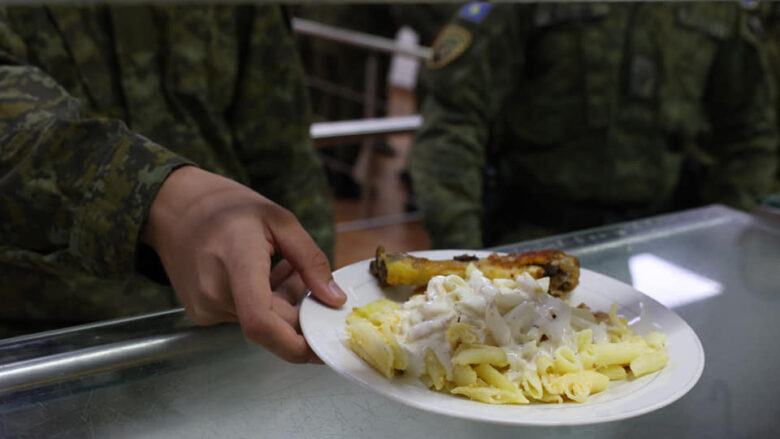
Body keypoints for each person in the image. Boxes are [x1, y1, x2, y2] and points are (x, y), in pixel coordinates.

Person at [0, 5, 345, 363]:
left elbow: (282, 147)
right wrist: (157, 197)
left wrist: (313, 283)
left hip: (237, 333)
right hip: (47, 345)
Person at [410, 1, 779, 249]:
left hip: (662, 239)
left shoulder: (718, 9)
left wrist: (719, 237)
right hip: (531, 235)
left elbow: (751, 131)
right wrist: (461, 255)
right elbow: (453, 118)